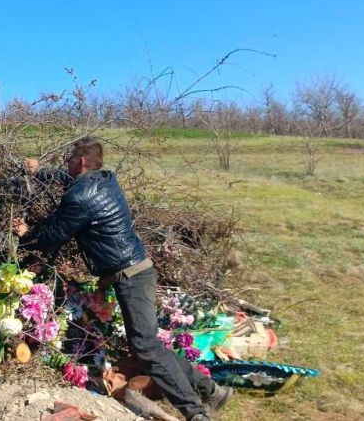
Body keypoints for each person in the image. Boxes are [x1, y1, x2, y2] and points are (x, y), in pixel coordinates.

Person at [13, 137, 232, 421]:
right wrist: (39, 171)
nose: (65, 165)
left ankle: (196, 413)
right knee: (148, 345)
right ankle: (212, 391)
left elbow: (53, 236)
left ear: (80, 162)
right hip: (136, 271)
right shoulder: (104, 180)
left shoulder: (80, 195)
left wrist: (27, 234)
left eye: (69, 160)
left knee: (145, 346)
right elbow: (67, 180)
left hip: (132, 278)